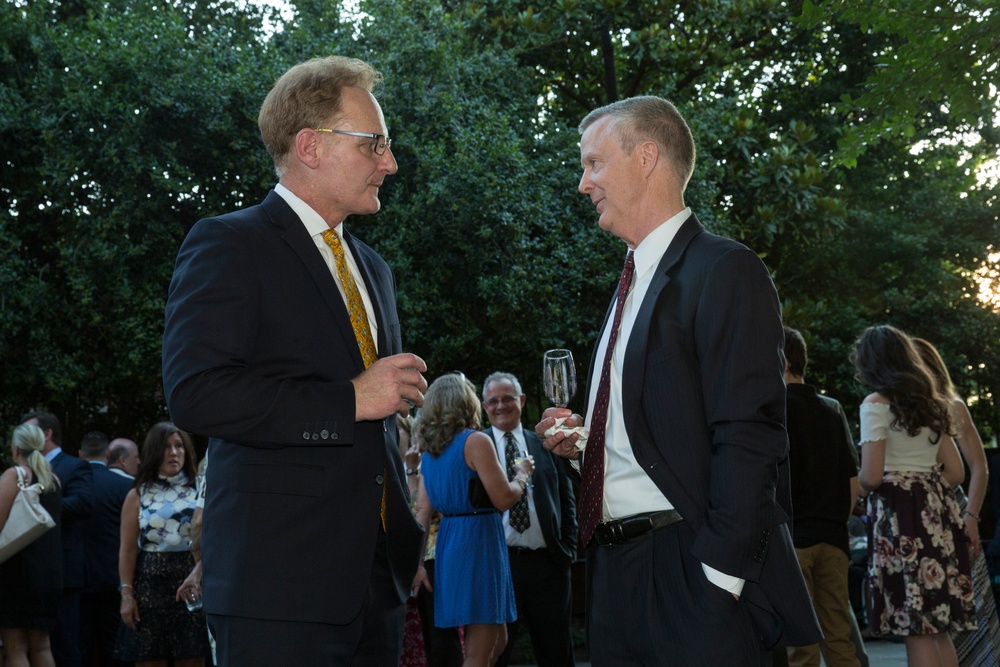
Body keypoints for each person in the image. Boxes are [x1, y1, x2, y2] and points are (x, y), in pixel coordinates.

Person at [161, 54, 427, 666]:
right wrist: (350, 400)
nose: (389, 162)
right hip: (277, 587)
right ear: (311, 145)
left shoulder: (374, 270)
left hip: (377, 586)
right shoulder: (229, 243)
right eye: (375, 145)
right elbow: (196, 393)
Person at [535, 95, 821, 665]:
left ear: (646, 157)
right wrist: (584, 448)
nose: (582, 183)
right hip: (616, 580)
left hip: (691, 575)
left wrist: (719, 578)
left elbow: (751, 434)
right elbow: (660, 429)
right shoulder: (628, 287)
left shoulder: (724, 268)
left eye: (593, 163)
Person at [853, 325, 976, 666]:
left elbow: (872, 475)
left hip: (898, 519)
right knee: (937, 626)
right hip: (937, 515)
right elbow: (956, 472)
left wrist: (860, 490)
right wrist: (924, 483)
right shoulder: (933, 404)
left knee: (914, 625)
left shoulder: (875, 405)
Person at [411, 373, 533, 667]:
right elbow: (504, 498)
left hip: (450, 546)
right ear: (467, 403)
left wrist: (417, 565)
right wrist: (522, 475)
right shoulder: (476, 441)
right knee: (478, 654)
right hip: (478, 544)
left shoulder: (430, 454)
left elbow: (422, 513)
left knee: (498, 639)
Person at [912, 337, 1000, 666]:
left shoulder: (951, 405)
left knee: (969, 609)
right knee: (936, 617)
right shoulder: (901, 408)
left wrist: (972, 518)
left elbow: (978, 466)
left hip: (955, 516)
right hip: (920, 519)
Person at [481, 372, 577, 667]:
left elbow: (566, 498)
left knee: (557, 653)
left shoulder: (544, 446)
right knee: (494, 654)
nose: (500, 406)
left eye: (507, 398)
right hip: (498, 566)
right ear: (484, 406)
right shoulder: (476, 446)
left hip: (548, 565)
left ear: (521, 401)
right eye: (493, 401)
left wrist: (568, 548)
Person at [782, 328, 865, 667]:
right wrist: (837, 522)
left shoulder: (772, 410)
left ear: (782, 361)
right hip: (833, 539)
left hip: (794, 540)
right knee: (838, 636)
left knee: (801, 647)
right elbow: (853, 481)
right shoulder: (831, 411)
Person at [115, 422, 207, 666]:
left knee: (192, 659)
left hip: (193, 587)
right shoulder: (138, 493)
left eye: (179, 446)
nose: (174, 452)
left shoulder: (202, 488)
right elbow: (127, 549)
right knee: (148, 660)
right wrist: (126, 595)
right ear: (155, 451)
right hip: (149, 591)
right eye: (166, 447)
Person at [19, 411, 93, 667]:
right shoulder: (21, 470)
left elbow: (84, 503)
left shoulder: (74, 465)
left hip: (64, 570)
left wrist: (40, 506)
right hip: (30, 569)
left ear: (47, 434)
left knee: (64, 643)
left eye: (28, 431)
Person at [0, 423, 63, 667]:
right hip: (49, 575)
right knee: (42, 646)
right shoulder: (53, 480)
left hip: (16, 573)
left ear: (15, 447)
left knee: (16, 648)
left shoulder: (14, 475)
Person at [79, 431, 134, 667]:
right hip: (114, 577)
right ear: (108, 454)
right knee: (113, 645)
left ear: (81, 455)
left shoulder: (74, 484)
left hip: (79, 577)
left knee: (79, 645)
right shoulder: (126, 487)